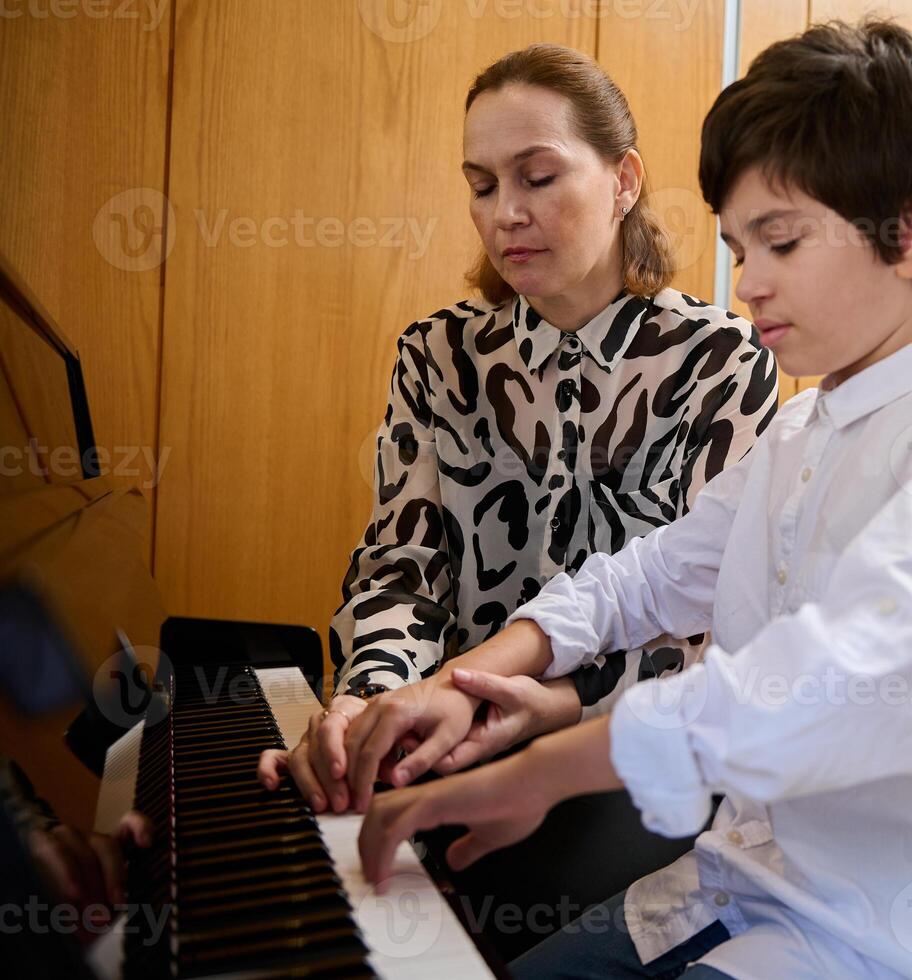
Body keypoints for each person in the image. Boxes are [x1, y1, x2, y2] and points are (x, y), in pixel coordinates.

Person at [358, 19, 912, 978]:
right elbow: (638, 581)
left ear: (909, 232)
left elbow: (823, 685)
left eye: (778, 243)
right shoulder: (802, 432)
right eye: (737, 248)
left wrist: (541, 773)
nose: (746, 285)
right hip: (728, 888)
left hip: (889, 940)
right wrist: (462, 690)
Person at [256, 44, 778, 814]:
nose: (504, 213)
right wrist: (370, 701)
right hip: (448, 737)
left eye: (538, 178)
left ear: (623, 181)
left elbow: (711, 620)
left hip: (626, 758)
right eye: (481, 186)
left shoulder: (720, 361)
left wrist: (562, 699)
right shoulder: (437, 355)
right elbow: (403, 564)